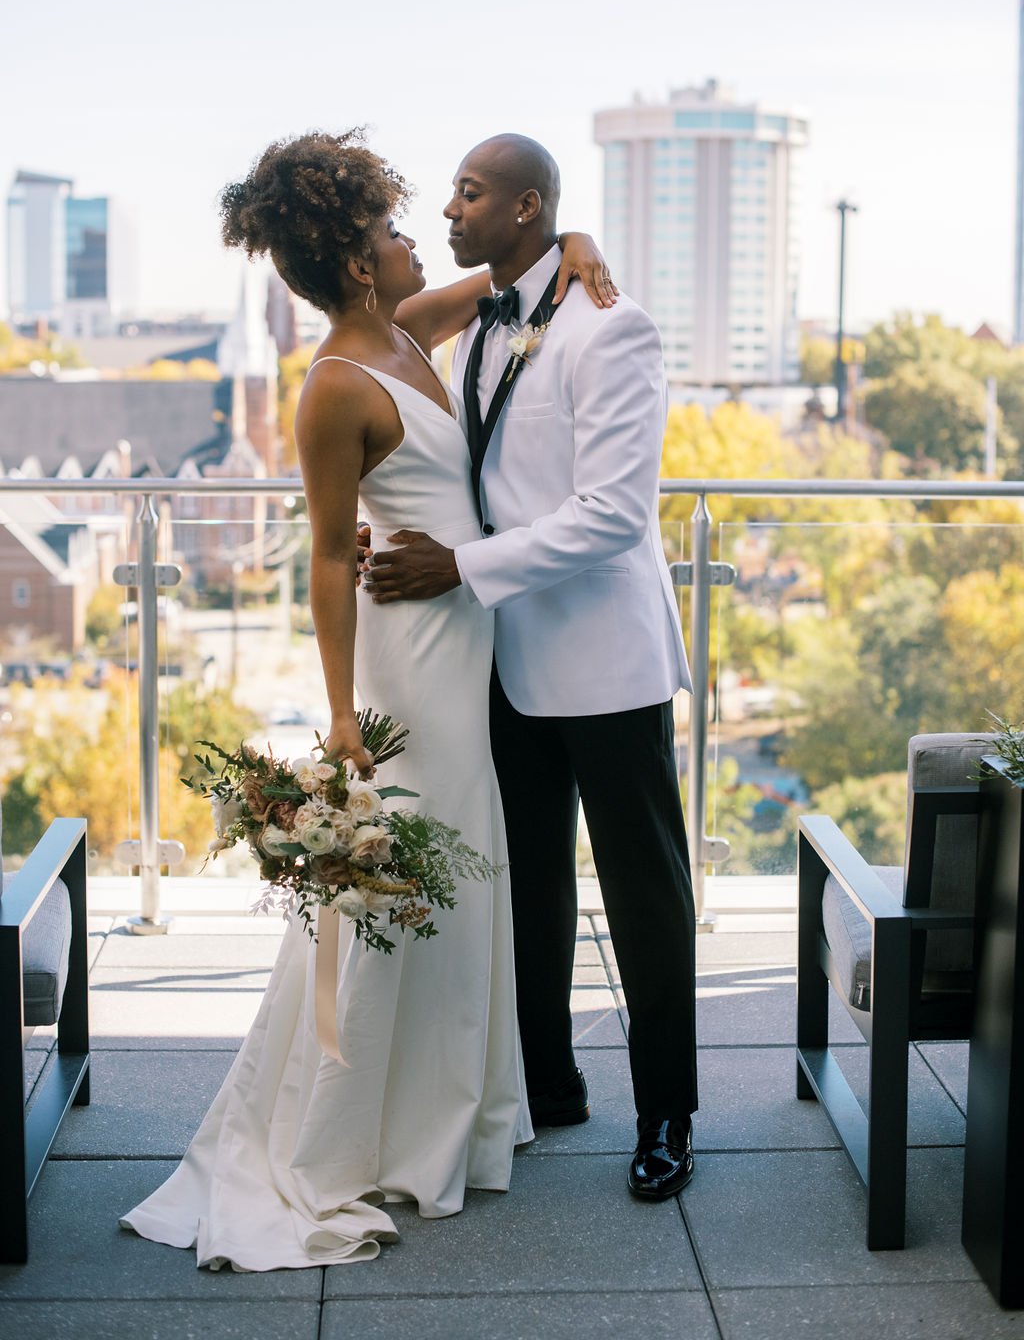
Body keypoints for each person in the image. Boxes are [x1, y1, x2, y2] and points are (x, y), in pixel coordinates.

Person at [118, 130, 613, 1269]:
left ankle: (455, 1113)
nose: (413, 238)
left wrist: (574, 238)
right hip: (408, 661)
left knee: (462, 873)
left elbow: (507, 273)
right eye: (393, 232)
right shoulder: (335, 385)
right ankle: (349, 1134)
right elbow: (328, 560)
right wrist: (338, 715)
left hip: (470, 635)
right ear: (355, 265)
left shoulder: (404, 330)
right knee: (395, 890)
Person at [362, 133, 699, 1199]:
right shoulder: (475, 324)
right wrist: (543, 252)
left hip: (603, 661)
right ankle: (546, 1085)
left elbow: (611, 515)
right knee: (530, 890)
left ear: (525, 204)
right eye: (452, 194)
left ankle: (667, 1116)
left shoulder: (613, 329)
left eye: (471, 193)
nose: (451, 209)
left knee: (645, 893)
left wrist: (460, 566)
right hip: (497, 659)